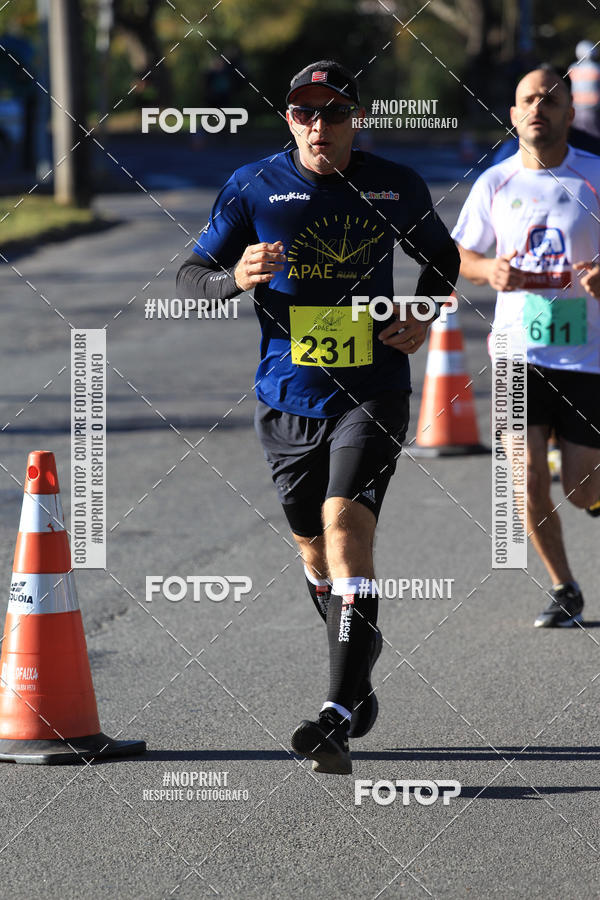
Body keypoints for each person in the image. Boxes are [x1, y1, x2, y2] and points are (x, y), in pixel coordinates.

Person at [177, 60, 459, 773]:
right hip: (286, 398)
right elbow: (189, 277)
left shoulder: (394, 184)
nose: (320, 126)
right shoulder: (253, 185)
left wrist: (422, 311)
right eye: (306, 113)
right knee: (314, 553)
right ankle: (356, 659)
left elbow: (443, 257)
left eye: (334, 113)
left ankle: (334, 713)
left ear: (354, 120)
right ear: (289, 119)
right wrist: (232, 279)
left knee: (345, 525)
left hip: (374, 389)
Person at [452, 65, 600, 628]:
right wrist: (490, 269)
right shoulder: (494, 183)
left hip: (588, 356)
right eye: (527, 100)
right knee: (526, 478)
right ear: (513, 115)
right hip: (519, 354)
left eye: (550, 100)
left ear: (568, 113)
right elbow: (460, 256)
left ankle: (588, 487)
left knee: (583, 488)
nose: (538, 108)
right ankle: (565, 586)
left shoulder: (595, 177)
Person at [568, 40, 600, 138]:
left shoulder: (572, 68)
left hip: (576, 110)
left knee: (578, 138)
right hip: (593, 110)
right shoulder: (597, 69)